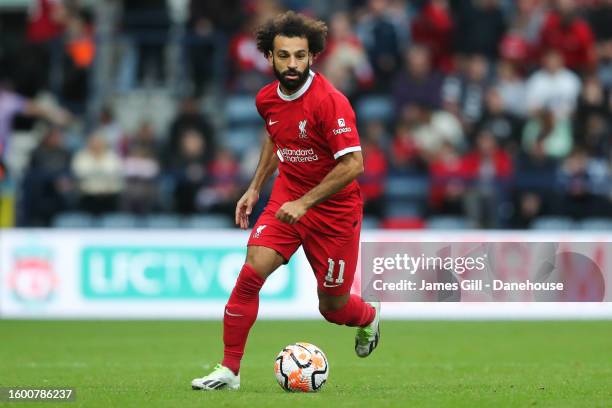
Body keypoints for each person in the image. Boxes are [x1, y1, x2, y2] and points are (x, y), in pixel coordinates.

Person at [191, 11, 380, 391]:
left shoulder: (330, 101)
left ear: (312, 57)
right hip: (288, 198)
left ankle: (370, 317)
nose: (292, 63)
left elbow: (354, 164)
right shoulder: (267, 99)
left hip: (335, 213)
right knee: (250, 274)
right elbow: (276, 137)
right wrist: (255, 187)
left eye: (299, 55)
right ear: (270, 57)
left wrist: (307, 202)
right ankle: (229, 370)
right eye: (283, 56)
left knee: (334, 307)